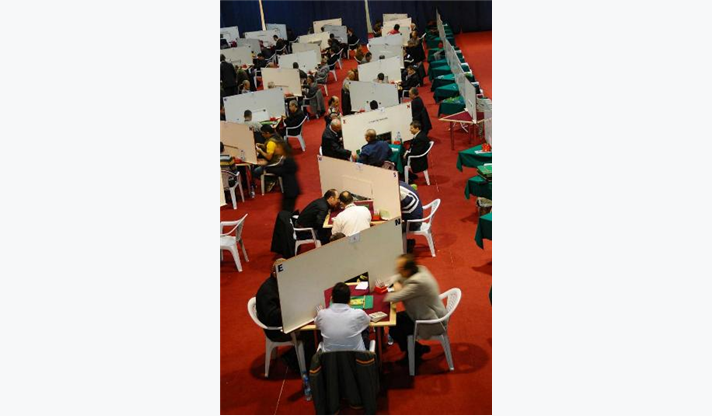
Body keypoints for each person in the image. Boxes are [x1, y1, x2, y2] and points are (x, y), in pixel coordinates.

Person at [384, 255, 448, 366]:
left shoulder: (417, 283)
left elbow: (392, 298)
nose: (397, 270)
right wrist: (396, 283)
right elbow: (397, 276)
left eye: (400, 268)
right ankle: (417, 348)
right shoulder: (420, 269)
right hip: (425, 311)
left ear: (408, 270)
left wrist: (396, 288)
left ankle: (414, 353)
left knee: (395, 330)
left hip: (430, 321)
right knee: (396, 320)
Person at [256, 258, 313, 372]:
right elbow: (272, 317)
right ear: (274, 273)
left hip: (286, 319)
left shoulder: (280, 282)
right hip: (277, 330)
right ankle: (300, 363)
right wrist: (293, 309)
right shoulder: (267, 292)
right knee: (310, 332)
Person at [315, 282, 371, 352]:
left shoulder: (322, 314)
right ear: (349, 300)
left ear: (332, 299)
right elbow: (368, 321)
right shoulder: (358, 314)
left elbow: (317, 324)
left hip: (330, 358)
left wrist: (321, 313)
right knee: (365, 328)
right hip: (357, 358)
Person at [264, 141, 301, 212]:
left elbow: (281, 171)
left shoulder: (288, 160)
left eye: (278, 147)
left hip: (291, 190)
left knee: (286, 210)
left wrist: (266, 167)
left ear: (284, 149)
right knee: (286, 209)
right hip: (291, 189)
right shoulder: (287, 158)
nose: (276, 149)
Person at [399, 181, 423, 252]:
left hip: (414, 222)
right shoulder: (399, 183)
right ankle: (405, 243)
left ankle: (404, 246)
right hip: (416, 216)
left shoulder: (398, 193)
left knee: (391, 228)